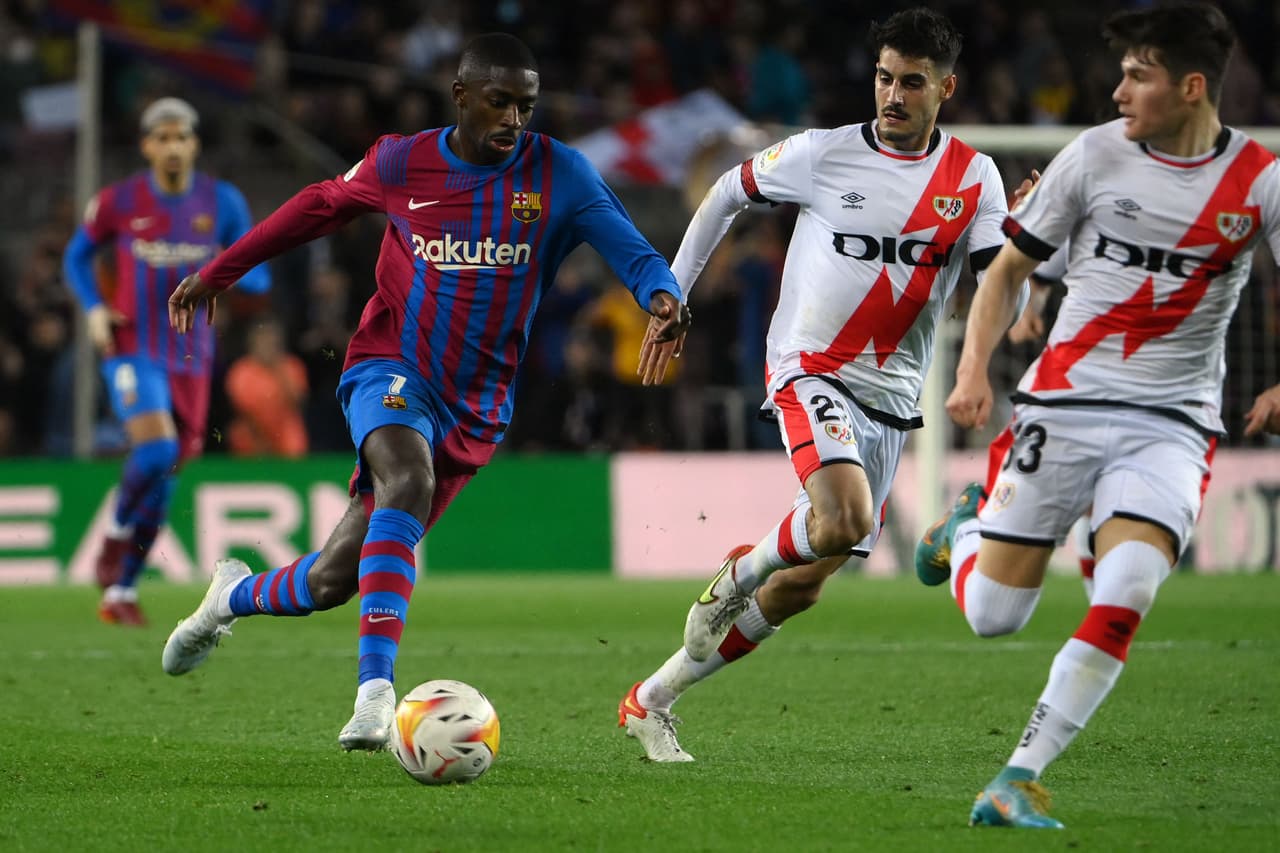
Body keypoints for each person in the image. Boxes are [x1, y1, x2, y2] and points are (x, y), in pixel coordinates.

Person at [161, 33, 690, 752]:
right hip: (389, 367)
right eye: (499, 102)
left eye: (525, 106)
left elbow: (628, 246)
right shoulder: (402, 160)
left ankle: (228, 596)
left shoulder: (558, 174)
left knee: (331, 579)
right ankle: (375, 693)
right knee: (407, 477)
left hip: (476, 406)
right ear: (462, 97)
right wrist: (221, 271)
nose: (512, 119)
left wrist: (660, 295)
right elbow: (318, 204)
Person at [619, 8, 1031, 762]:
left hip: (892, 398)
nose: (894, 95)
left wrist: (1022, 254)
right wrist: (673, 293)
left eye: (913, 82)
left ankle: (652, 698)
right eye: (884, 78)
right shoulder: (822, 153)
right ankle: (736, 573)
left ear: (947, 87)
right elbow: (723, 194)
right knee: (838, 518)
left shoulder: (974, 177)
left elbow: (1000, 295)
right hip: (810, 368)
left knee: (804, 585)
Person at [913, 2, 1280, 828]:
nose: (1117, 91)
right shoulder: (1093, 157)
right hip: (1063, 407)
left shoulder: (1259, 181)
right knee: (993, 617)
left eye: (1137, 75)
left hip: (1172, 425)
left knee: (1129, 584)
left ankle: (1017, 775)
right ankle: (964, 528)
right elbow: (1007, 271)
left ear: (1190, 88)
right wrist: (973, 367)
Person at [62, 97, 270, 625]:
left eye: (182, 137)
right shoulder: (119, 201)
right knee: (156, 451)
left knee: (168, 478)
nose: (173, 147)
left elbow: (259, 274)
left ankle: (121, 594)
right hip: (133, 345)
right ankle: (112, 539)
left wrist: (232, 277)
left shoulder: (222, 203)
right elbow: (77, 255)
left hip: (192, 358)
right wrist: (93, 309)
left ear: (194, 144)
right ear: (147, 146)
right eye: (162, 138)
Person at [224, 316, 309, 457]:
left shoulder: (291, 366)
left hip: (285, 432)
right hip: (252, 433)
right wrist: (264, 443)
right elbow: (243, 410)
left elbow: (298, 402)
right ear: (252, 342)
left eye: (272, 341)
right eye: (263, 340)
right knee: (239, 433)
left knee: (294, 436)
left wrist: (279, 370)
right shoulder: (241, 370)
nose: (268, 345)